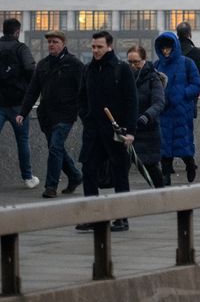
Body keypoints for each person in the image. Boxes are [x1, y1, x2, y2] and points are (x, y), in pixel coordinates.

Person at [74, 31, 137, 232]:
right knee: (89, 171)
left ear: (109, 46)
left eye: (99, 47)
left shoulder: (121, 69)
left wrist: (130, 131)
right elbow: (82, 98)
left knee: (120, 173)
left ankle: (121, 218)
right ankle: (93, 216)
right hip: (93, 131)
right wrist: (86, 116)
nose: (95, 50)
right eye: (93, 47)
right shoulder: (88, 69)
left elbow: (131, 101)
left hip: (115, 130)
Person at [17, 29, 83, 198]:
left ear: (63, 43)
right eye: (49, 42)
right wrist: (22, 113)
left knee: (55, 147)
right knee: (57, 148)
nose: (51, 45)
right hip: (47, 115)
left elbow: (84, 89)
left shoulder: (73, 64)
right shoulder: (43, 64)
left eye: (55, 42)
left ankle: (51, 186)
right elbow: (32, 91)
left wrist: (85, 111)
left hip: (66, 114)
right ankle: (75, 176)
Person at [153, 32, 200, 185]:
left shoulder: (187, 63)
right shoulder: (157, 65)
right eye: (164, 49)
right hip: (164, 111)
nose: (166, 52)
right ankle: (166, 174)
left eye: (169, 48)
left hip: (181, 111)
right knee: (164, 146)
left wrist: (182, 94)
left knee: (184, 144)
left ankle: (190, 164)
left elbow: (196, 85)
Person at [0, 18, 39, 189]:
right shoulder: (21, 48)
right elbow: (31, 69)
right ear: (17, 32)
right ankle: (28, 177)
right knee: (22, 140)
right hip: (18, 105)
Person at [125, 44, 167, 189]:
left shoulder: (153, 78)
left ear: (144, 60)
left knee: (151, 167)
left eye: (136, 62)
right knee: (122, 168)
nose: (132, 65)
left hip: (148, 130)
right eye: (129, 62)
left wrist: (146, 116)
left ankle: (162, 195)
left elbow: (159, 102)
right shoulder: (124, 78)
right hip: (128, 129)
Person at [175, 21, 200, 85]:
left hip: (174, 91)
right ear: (189, 34)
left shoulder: (172, 51)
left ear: (177, 34)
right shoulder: (197, 52)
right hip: (192, 90)